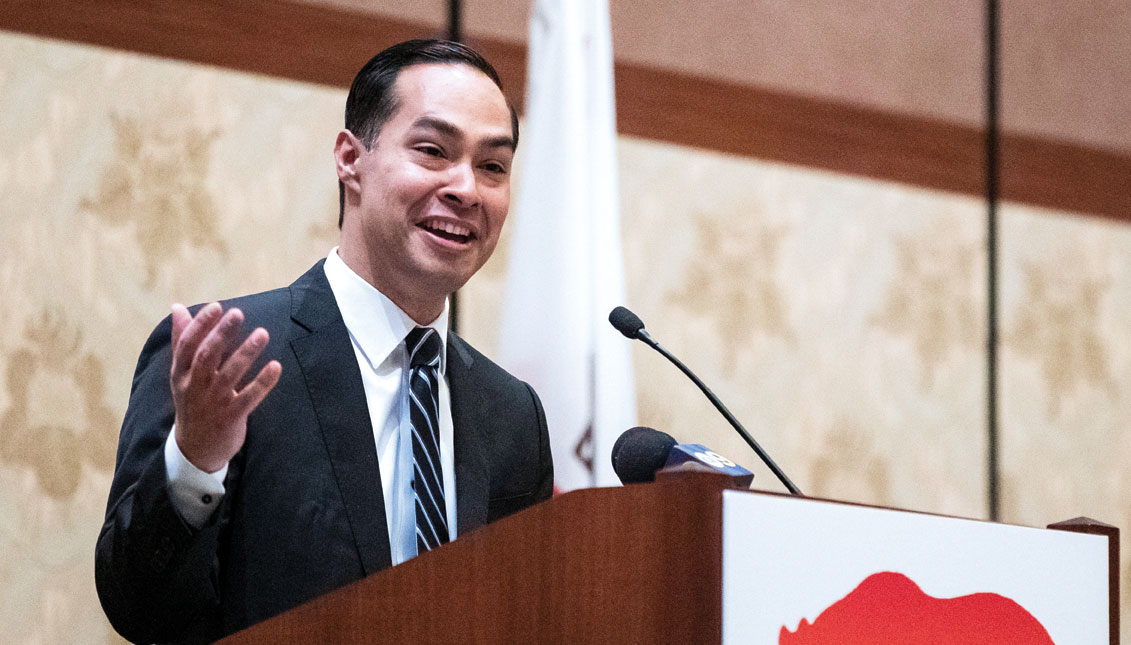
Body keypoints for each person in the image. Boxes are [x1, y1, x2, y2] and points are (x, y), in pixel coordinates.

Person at [95, 39, 553, 644]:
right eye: (433, 151)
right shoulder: (230, 358)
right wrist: (195, 463)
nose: (467, 189)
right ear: (349, 158)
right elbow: (140, 611)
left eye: (492, 167)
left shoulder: (512, 414)